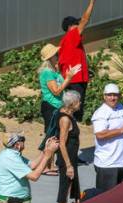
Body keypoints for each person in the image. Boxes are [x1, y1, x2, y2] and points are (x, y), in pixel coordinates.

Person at [0, 132, 60, 203]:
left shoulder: (11, 154)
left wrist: (45, 150)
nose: (24, 142)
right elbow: (34, 176)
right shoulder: (11, 158)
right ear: (17, 145)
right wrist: (48, 155)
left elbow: (32, 165)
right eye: (22, 140)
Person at [39, 44, 82, 175]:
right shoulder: (47, 73)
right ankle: (46, 166)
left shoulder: (53, 72)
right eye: (55, 55)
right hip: (50, 106)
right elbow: (56, 91)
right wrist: (68, 78)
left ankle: (51, 163)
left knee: (55, 134)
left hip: (57, 106)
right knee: (51, 134)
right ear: (50, 58)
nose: (58, 56)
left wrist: (69, 75)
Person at [91, 83, 123, 193]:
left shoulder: (121, 108)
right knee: (105, 198)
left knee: (119, 197)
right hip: (107, 164)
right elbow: (100, 135)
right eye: (109, 95)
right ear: (104, 96)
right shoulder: (100, 113)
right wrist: (121, 130)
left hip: (121, 162)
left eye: (115, 95)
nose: (113, 98)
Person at [58, 0, 96, 120]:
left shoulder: (65, 41)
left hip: (72, 79)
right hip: (76, 79)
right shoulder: (71, 36)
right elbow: (85, 20)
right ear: (70, 27)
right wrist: (91, 3)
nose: (79, 26)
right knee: (76, 109)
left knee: (72, 107)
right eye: (76, 24)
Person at [56, 90, 83, 203]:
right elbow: (62, 143)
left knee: (72, 184)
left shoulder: (68, 113)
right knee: (65, 186)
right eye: (78, 101)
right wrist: (68, 165)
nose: (80, 103)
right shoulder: (65, 119)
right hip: (67, 158)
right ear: (72, 103)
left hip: (72, 156)